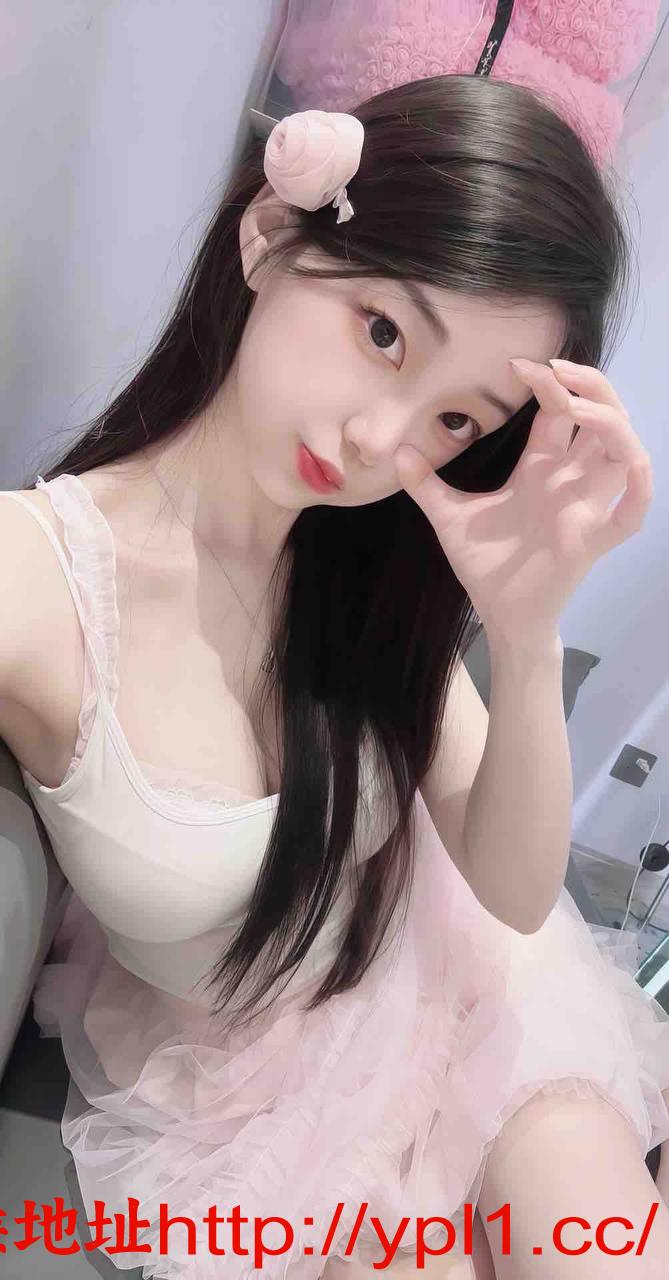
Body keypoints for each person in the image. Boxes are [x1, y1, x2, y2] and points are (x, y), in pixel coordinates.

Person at [1, 74, 669, 1280]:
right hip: (246, 1078)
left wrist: (524, 634)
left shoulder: (363, 573)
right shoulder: (47, 578)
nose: (379, 439)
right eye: (384, 332)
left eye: (456, 421)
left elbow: (515, 894)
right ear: (270, 234)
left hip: (467, 977)